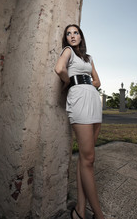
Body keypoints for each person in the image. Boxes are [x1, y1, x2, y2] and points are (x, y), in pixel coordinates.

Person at [55, 24, 105, 219]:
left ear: (81, 37)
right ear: (66, 39)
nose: (72, 36)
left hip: (93, 99)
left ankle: (80, 210)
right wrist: (70, 81)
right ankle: (99, 215)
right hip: (79, 100)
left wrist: (85, 83)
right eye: (69, 33)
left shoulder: (88, 58)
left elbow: (98, 82)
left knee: (85, 159)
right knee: (89, 159)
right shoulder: (68, 52)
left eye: (76, 32)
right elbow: (59, 68)